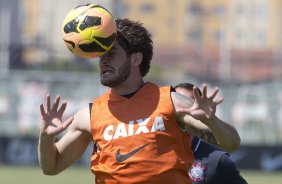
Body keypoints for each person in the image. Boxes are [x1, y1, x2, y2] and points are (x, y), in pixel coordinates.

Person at [38, 18, 241, 184]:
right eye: (101, 55)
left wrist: (211, 121)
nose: (103, 61)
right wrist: (46, 138)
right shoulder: (89, 115)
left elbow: (232, 143)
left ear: (136, 59)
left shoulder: (171, 101)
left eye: (112, 53)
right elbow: (51, 167)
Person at [175, 83, 247, 184]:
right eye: (176, 103)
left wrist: (211, 119)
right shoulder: (154, 149)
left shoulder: (217, 160)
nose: (183, 110)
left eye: (188, 104)